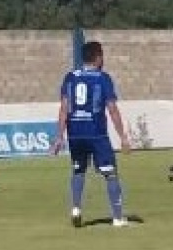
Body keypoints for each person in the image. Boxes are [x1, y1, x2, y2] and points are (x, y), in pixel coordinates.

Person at [52, 40, 132, 228]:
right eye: (102, 56)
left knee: (78, 170)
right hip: (96, 133)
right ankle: (118, 217)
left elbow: (64, 108)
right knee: (110, 173)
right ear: (97, 57)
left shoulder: (70, 77)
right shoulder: (102, 78)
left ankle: (76, 208)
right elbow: (112, 109)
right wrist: (123, 136)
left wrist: (59, 136)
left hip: (75, 133)